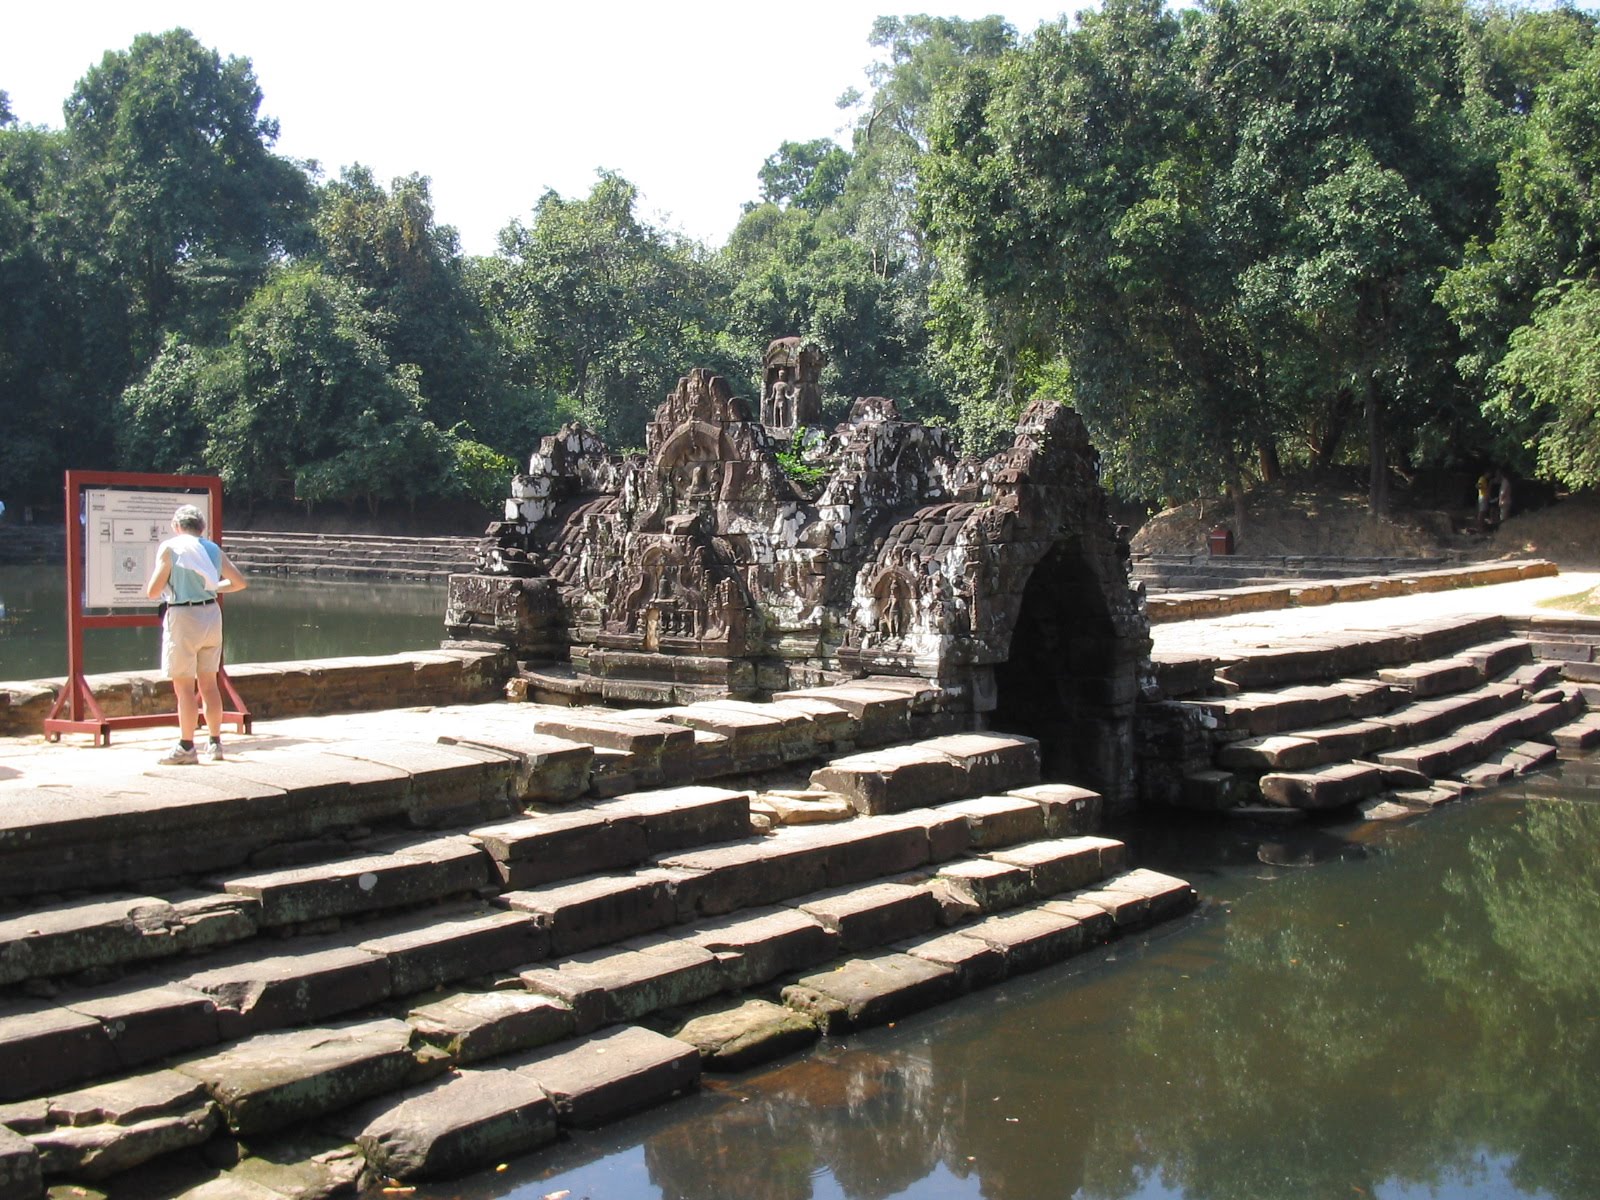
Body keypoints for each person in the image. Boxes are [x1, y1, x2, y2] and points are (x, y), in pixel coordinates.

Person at [144, 504, 247, 764]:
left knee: (184, 687)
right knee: (209, 685)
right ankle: (214, 743)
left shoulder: (171, 548)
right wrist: (213, 586)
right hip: (211, 614)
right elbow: (239, 582)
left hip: (183, 616)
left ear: (177, 527)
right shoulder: (212, 549)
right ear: (202, 527)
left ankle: (187, 746)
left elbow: (153, 591)